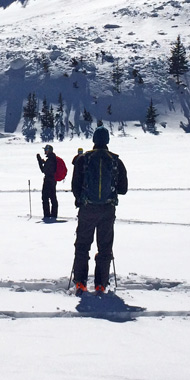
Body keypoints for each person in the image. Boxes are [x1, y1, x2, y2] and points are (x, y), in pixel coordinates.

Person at [71, 126, 128, 295]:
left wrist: (81, 199)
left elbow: (75, 185)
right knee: (104, 248)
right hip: (107, 210)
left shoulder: (83, 159)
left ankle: (80, 282)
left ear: (94, 140)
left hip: (87, 209)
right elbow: (123, 189)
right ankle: (101, 284)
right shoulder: (116, 160)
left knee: (82, 245)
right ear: (107, 141)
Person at [36, 144, 58, 221]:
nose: (45, 151)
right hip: (52, 180)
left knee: (46, 197)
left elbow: (44, 170)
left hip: (49, 181)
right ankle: (53, 214)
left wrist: (39, 161)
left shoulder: (50, 160)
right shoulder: (53, 158)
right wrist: (44, 162)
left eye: (45, 150)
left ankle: (47, 215)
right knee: (52, 197)